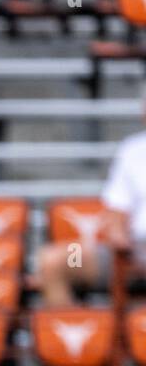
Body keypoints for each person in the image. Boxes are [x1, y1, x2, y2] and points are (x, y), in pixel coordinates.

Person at [38, 112, 146, 307]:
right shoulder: (132, 150)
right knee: (54, 260)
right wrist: (119, 239)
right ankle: (79, 333)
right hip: (134, 251)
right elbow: (116, 210)